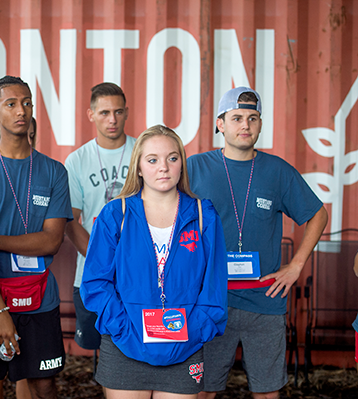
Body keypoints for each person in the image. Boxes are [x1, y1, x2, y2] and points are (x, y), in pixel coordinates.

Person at [188, 87, 328, 399]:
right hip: (211, 300)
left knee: (267, 393)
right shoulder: (195, 167)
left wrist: (296, 266)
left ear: (261, 124)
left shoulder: (277, 171)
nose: (245, 125)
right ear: (221, 124)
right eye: (236, 118)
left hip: (265, 300)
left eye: (253, 118)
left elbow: (317, 215)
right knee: (203, 391)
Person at [81, 125, 228, 398]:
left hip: (185, 345)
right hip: (125, 344)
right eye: (153, 160)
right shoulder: (116, 214)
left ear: (182, 165)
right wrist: (125, 329)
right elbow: (96, 283)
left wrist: (191, 332)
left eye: (172, 158)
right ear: (138, 167)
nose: (164, 167)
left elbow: (214, 289)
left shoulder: (204, 216)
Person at [0, 76, 72, 399]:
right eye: (10, 104)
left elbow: (51, 241)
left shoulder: (54, 171)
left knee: (44, 385)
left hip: (40, 297)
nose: (20, 110)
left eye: (26, 103)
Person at [65, 82, 135, 351]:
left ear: (126, 113)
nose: (112, 119)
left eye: (118, 112)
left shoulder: (143, 152)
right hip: (91, 275)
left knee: (133, 344)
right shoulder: (78, 160)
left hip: (137, 273)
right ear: (91, 114)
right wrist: (101, 259)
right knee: (98, 349)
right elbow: (70, 221)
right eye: (104, 112)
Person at [0, 117, 36, 399]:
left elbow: (50, 241)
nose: (25, 137)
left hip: (33, 287)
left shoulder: (43, 172)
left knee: (27, 374)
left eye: (32, 134)